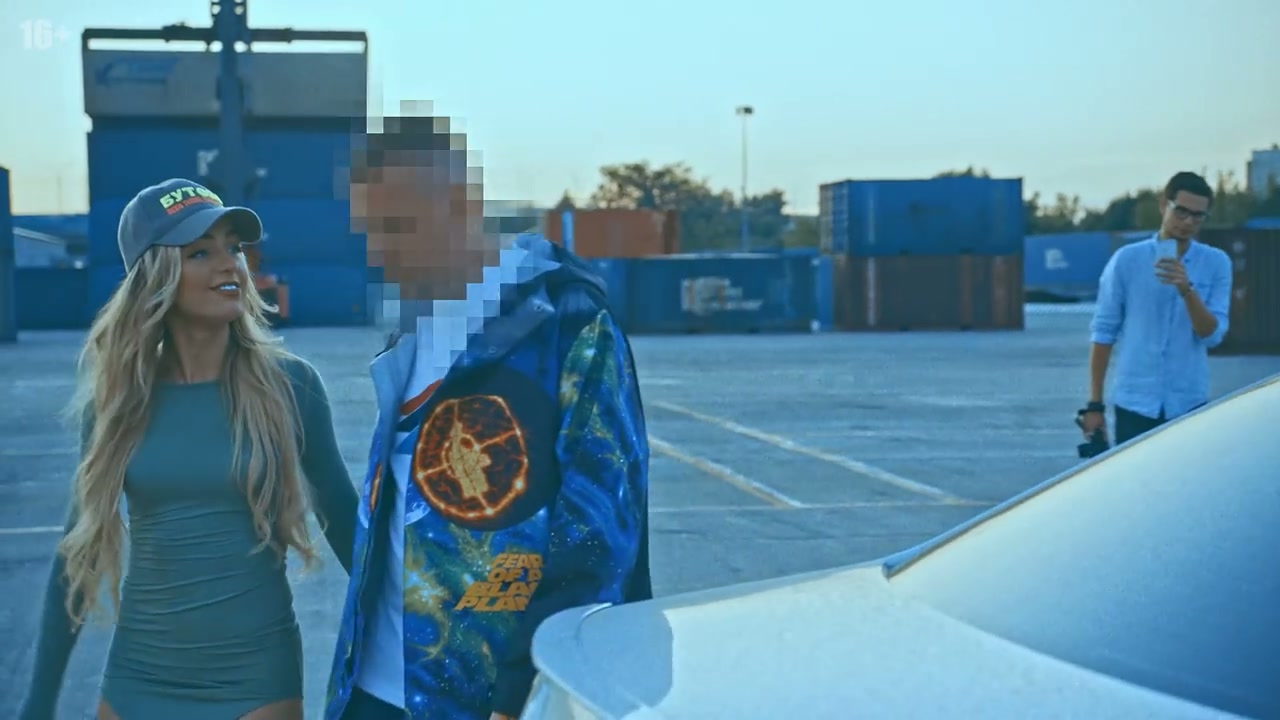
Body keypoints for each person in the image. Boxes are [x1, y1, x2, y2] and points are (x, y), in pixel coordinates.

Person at [324, 114, 652, 720]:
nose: (379, 251)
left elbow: (600, 531)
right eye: (370, 231)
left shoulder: (566, 322)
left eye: (398, 227)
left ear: (462, 206)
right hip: (371, 688)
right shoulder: (415, 328)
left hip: (486, 697)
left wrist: (526, 687)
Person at [18, 179, 360, 720]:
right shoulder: (118, 405)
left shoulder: (291, 386)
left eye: (234, 247)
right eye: (200, 252)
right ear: (156, 275)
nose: (230, 264)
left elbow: (348, 528)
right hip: (138, 675)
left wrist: (421, 644)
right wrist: (36, 707)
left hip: (255, 678)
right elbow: (77, 556)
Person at [1081, 171, 1233, 447]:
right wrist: (1094, 404)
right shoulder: (1127, 260)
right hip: (1134, 402)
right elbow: (1103, 331)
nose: (1188, 222)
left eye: (1198, 216)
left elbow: (1211, 335)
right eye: (1181, 211)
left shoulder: (1216, 263)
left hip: (1188, 402)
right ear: (1164, 205)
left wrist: (1186, 289)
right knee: (1135, 475)